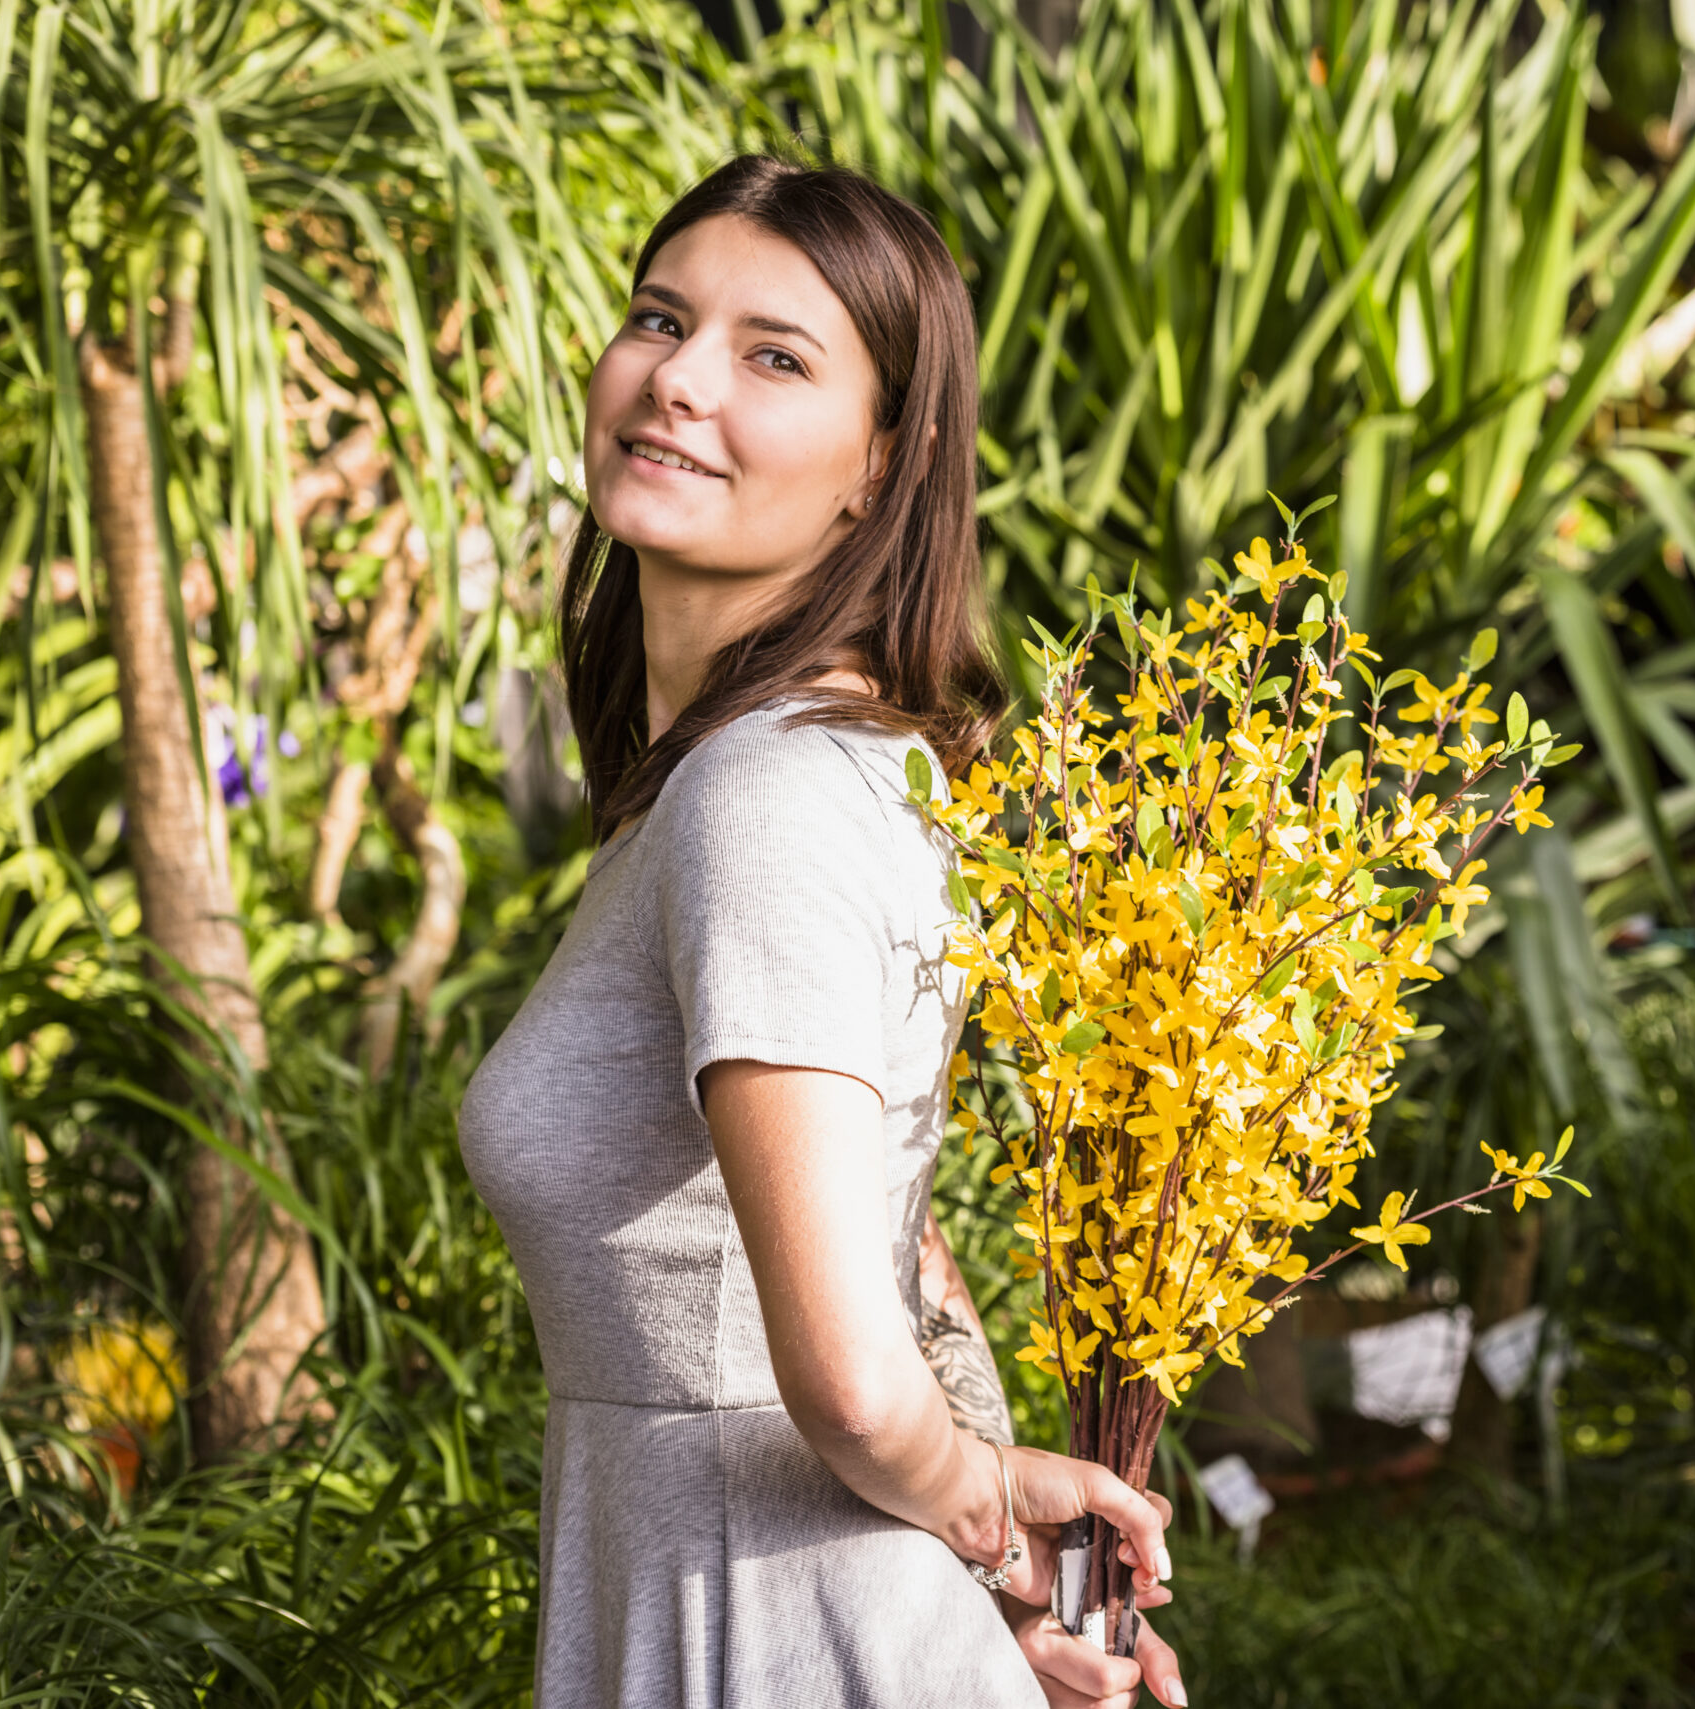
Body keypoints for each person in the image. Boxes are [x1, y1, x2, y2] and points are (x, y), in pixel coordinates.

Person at [458, 155, 1186, 1709]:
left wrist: (988, 1523)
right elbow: (905, 1252)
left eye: (774, 356)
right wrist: (1012, 1570)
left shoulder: (765, 795)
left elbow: (861, 1383)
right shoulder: (806, 772)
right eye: (661, 317)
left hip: (779, 1635)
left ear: (879, 463)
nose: (678, 380)